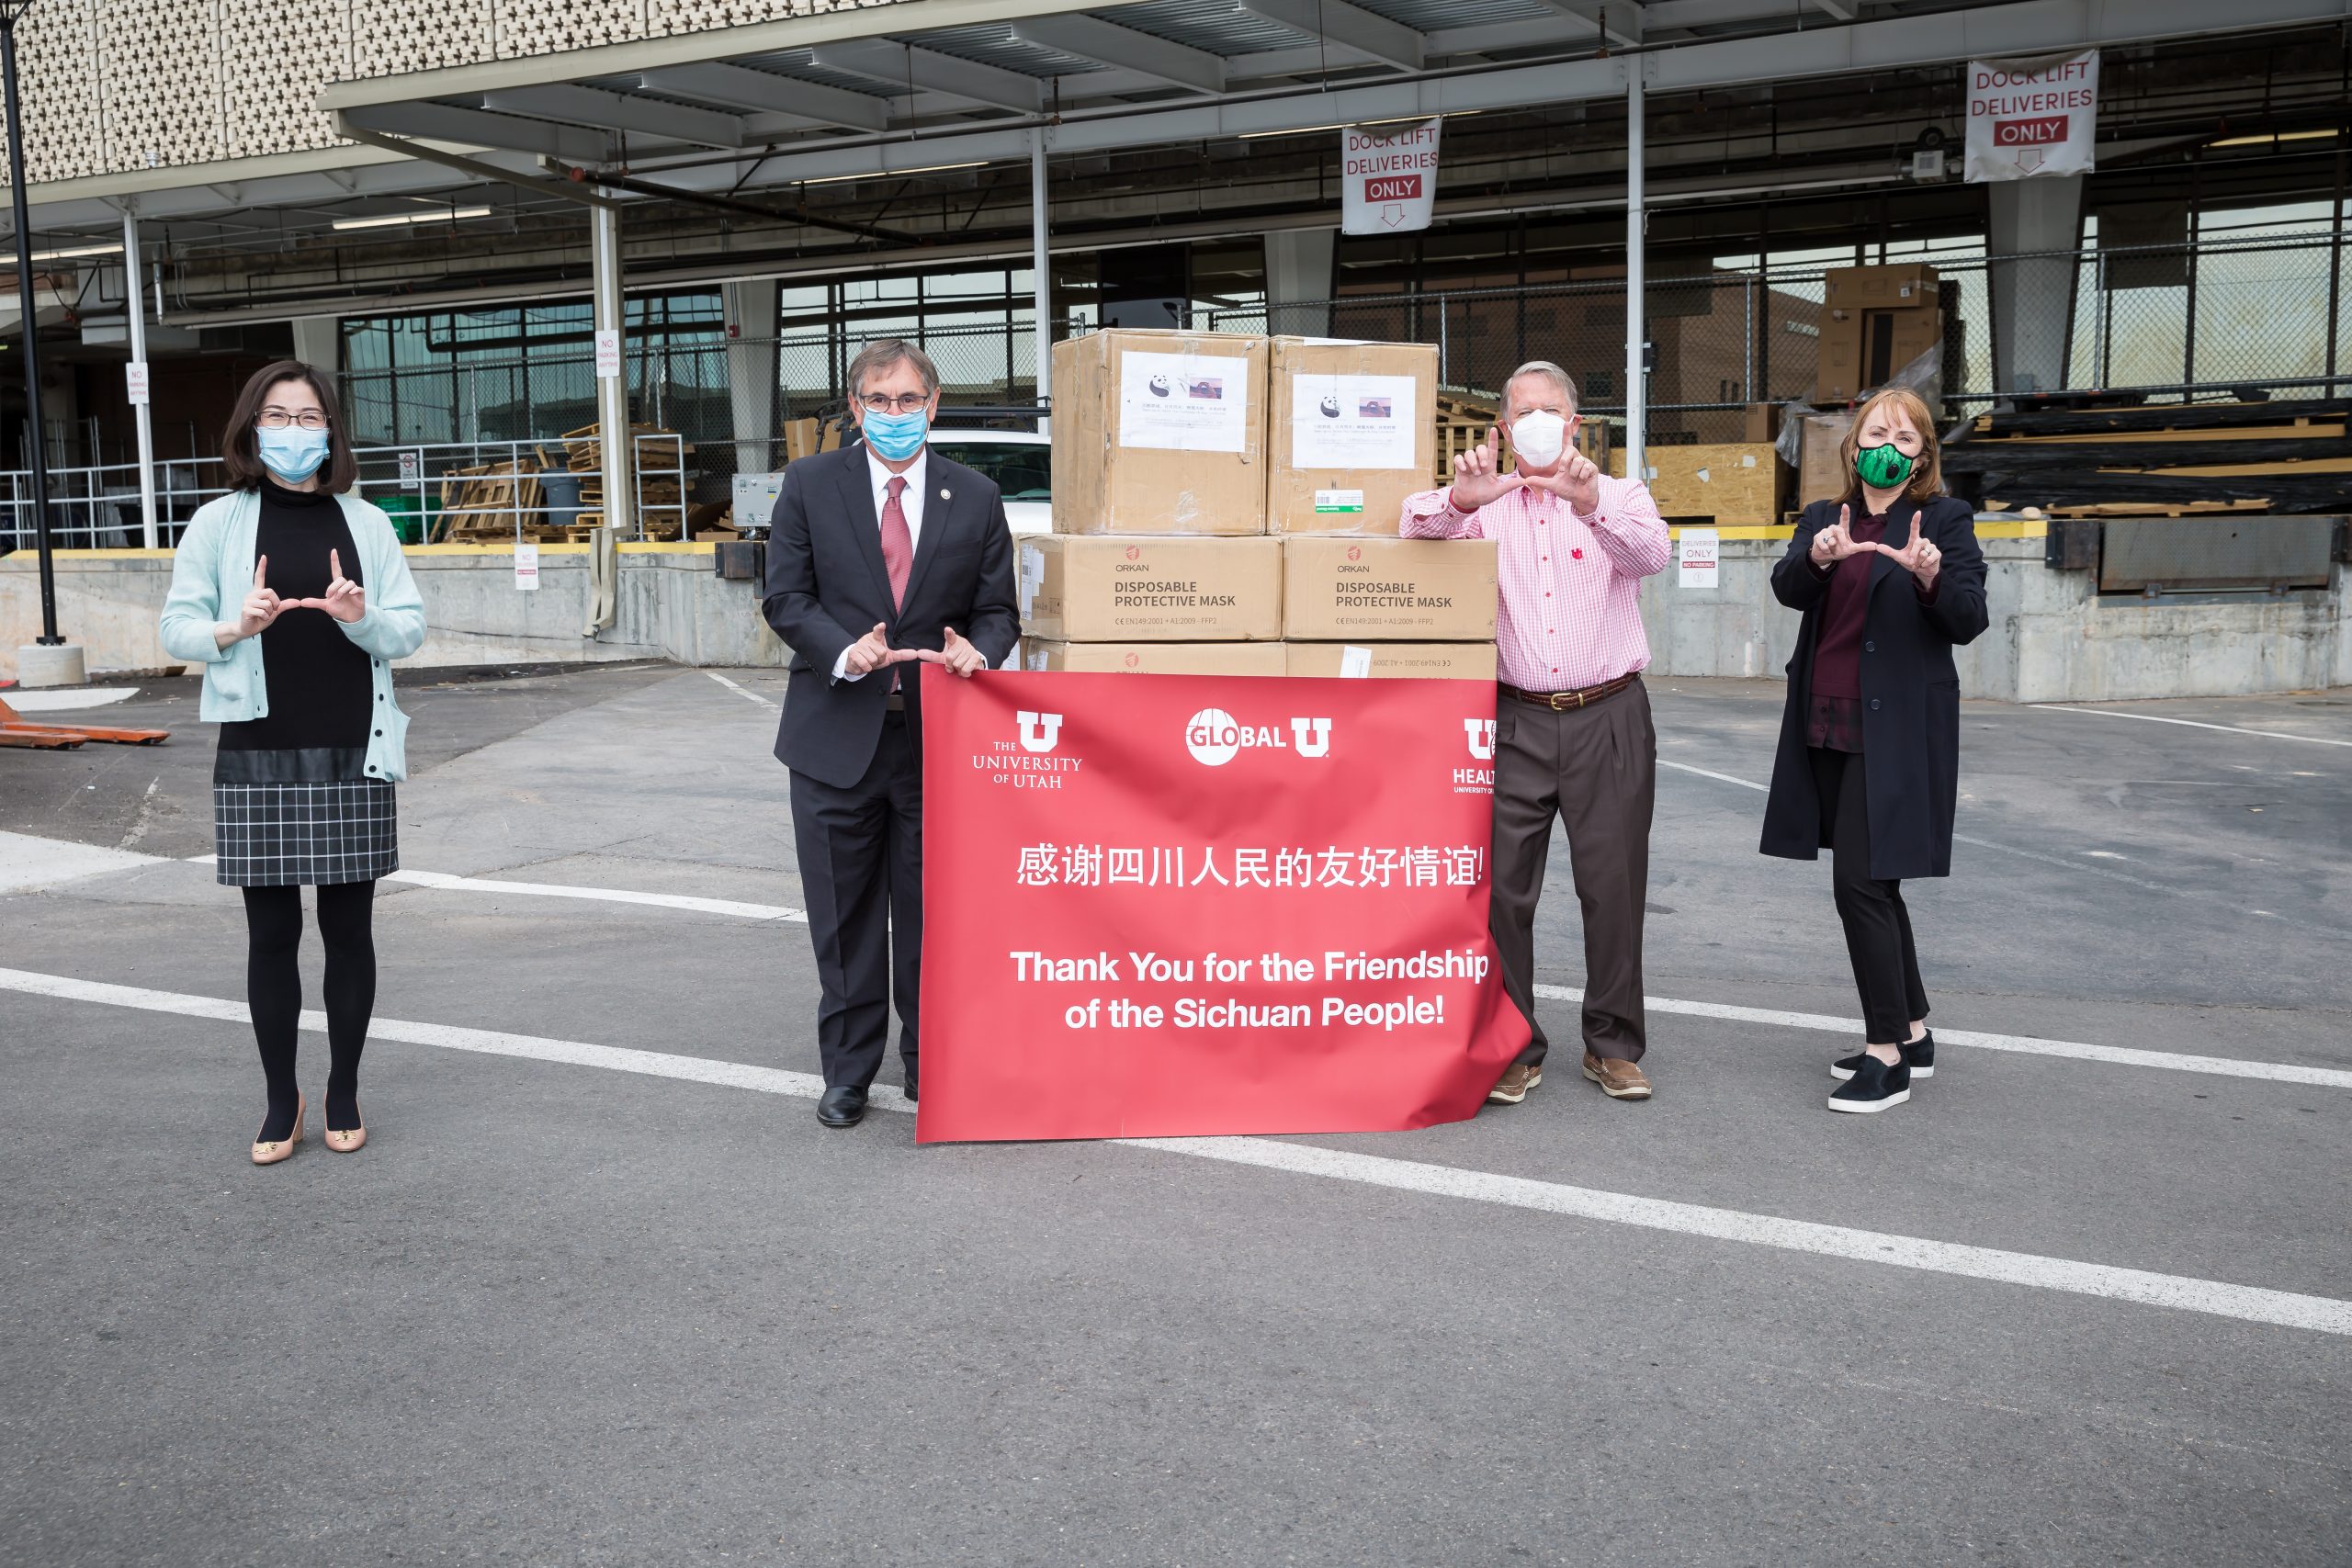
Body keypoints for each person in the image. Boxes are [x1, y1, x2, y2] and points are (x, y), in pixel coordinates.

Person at [158, 361, 426, 1163]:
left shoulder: (366, 522)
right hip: (258, 748)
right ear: (251, 427)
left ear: (331, 432)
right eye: (278, 416)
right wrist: (232, 626)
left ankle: (342, 1088)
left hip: (352, 744)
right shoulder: (216, 523)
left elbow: (408, 629)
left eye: (310, 418)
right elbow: (174, 630)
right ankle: (282, 1099)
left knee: (349, 930)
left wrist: (362, 616)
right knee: (270, 934)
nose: (294, 432)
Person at [762, 340, 1020, 1129]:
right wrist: (843, 649)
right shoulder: (809, 485)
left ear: (934, 406)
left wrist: (982, 649)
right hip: (834, 736)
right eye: (881, 401)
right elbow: (786, 596)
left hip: (937, 742)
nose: (896, 415)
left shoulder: (973, 495)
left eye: (910, 401)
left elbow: (998, 609)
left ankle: (927, 1063)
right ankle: (847, 1072)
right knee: (843, 918)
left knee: (930, 914)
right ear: (854, 406)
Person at [1401, 361, 1670, 1106]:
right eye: (1523, 412)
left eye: (1551, 409)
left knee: (1612, 888)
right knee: (1502, 891)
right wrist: (1460, 501)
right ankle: (1514, 1043)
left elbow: (1653, 554)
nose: (1538, 421)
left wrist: (1590, 508)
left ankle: (1612, 1044)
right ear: (1503, 428)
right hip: (1514, 717)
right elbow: (1410, 526)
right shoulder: (1487, 503)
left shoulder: (1619, 495)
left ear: (1576, 424)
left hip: (1609, 712)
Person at [1759, 387, 1987, 1113]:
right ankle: (1914, 1029)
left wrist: (1930, 574)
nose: (1888, 444)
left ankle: (1885, 1053)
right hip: (1824, 718)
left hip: (1893, 731)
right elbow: (1788, 588)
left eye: (1906, 436)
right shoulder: (1824, 517)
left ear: (1923, 455)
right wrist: (1819, 558)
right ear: (1854, 445)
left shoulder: (1944, 520)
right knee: (1877, 879)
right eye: (1876, 432)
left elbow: (1969, 616)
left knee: (1857, 884)